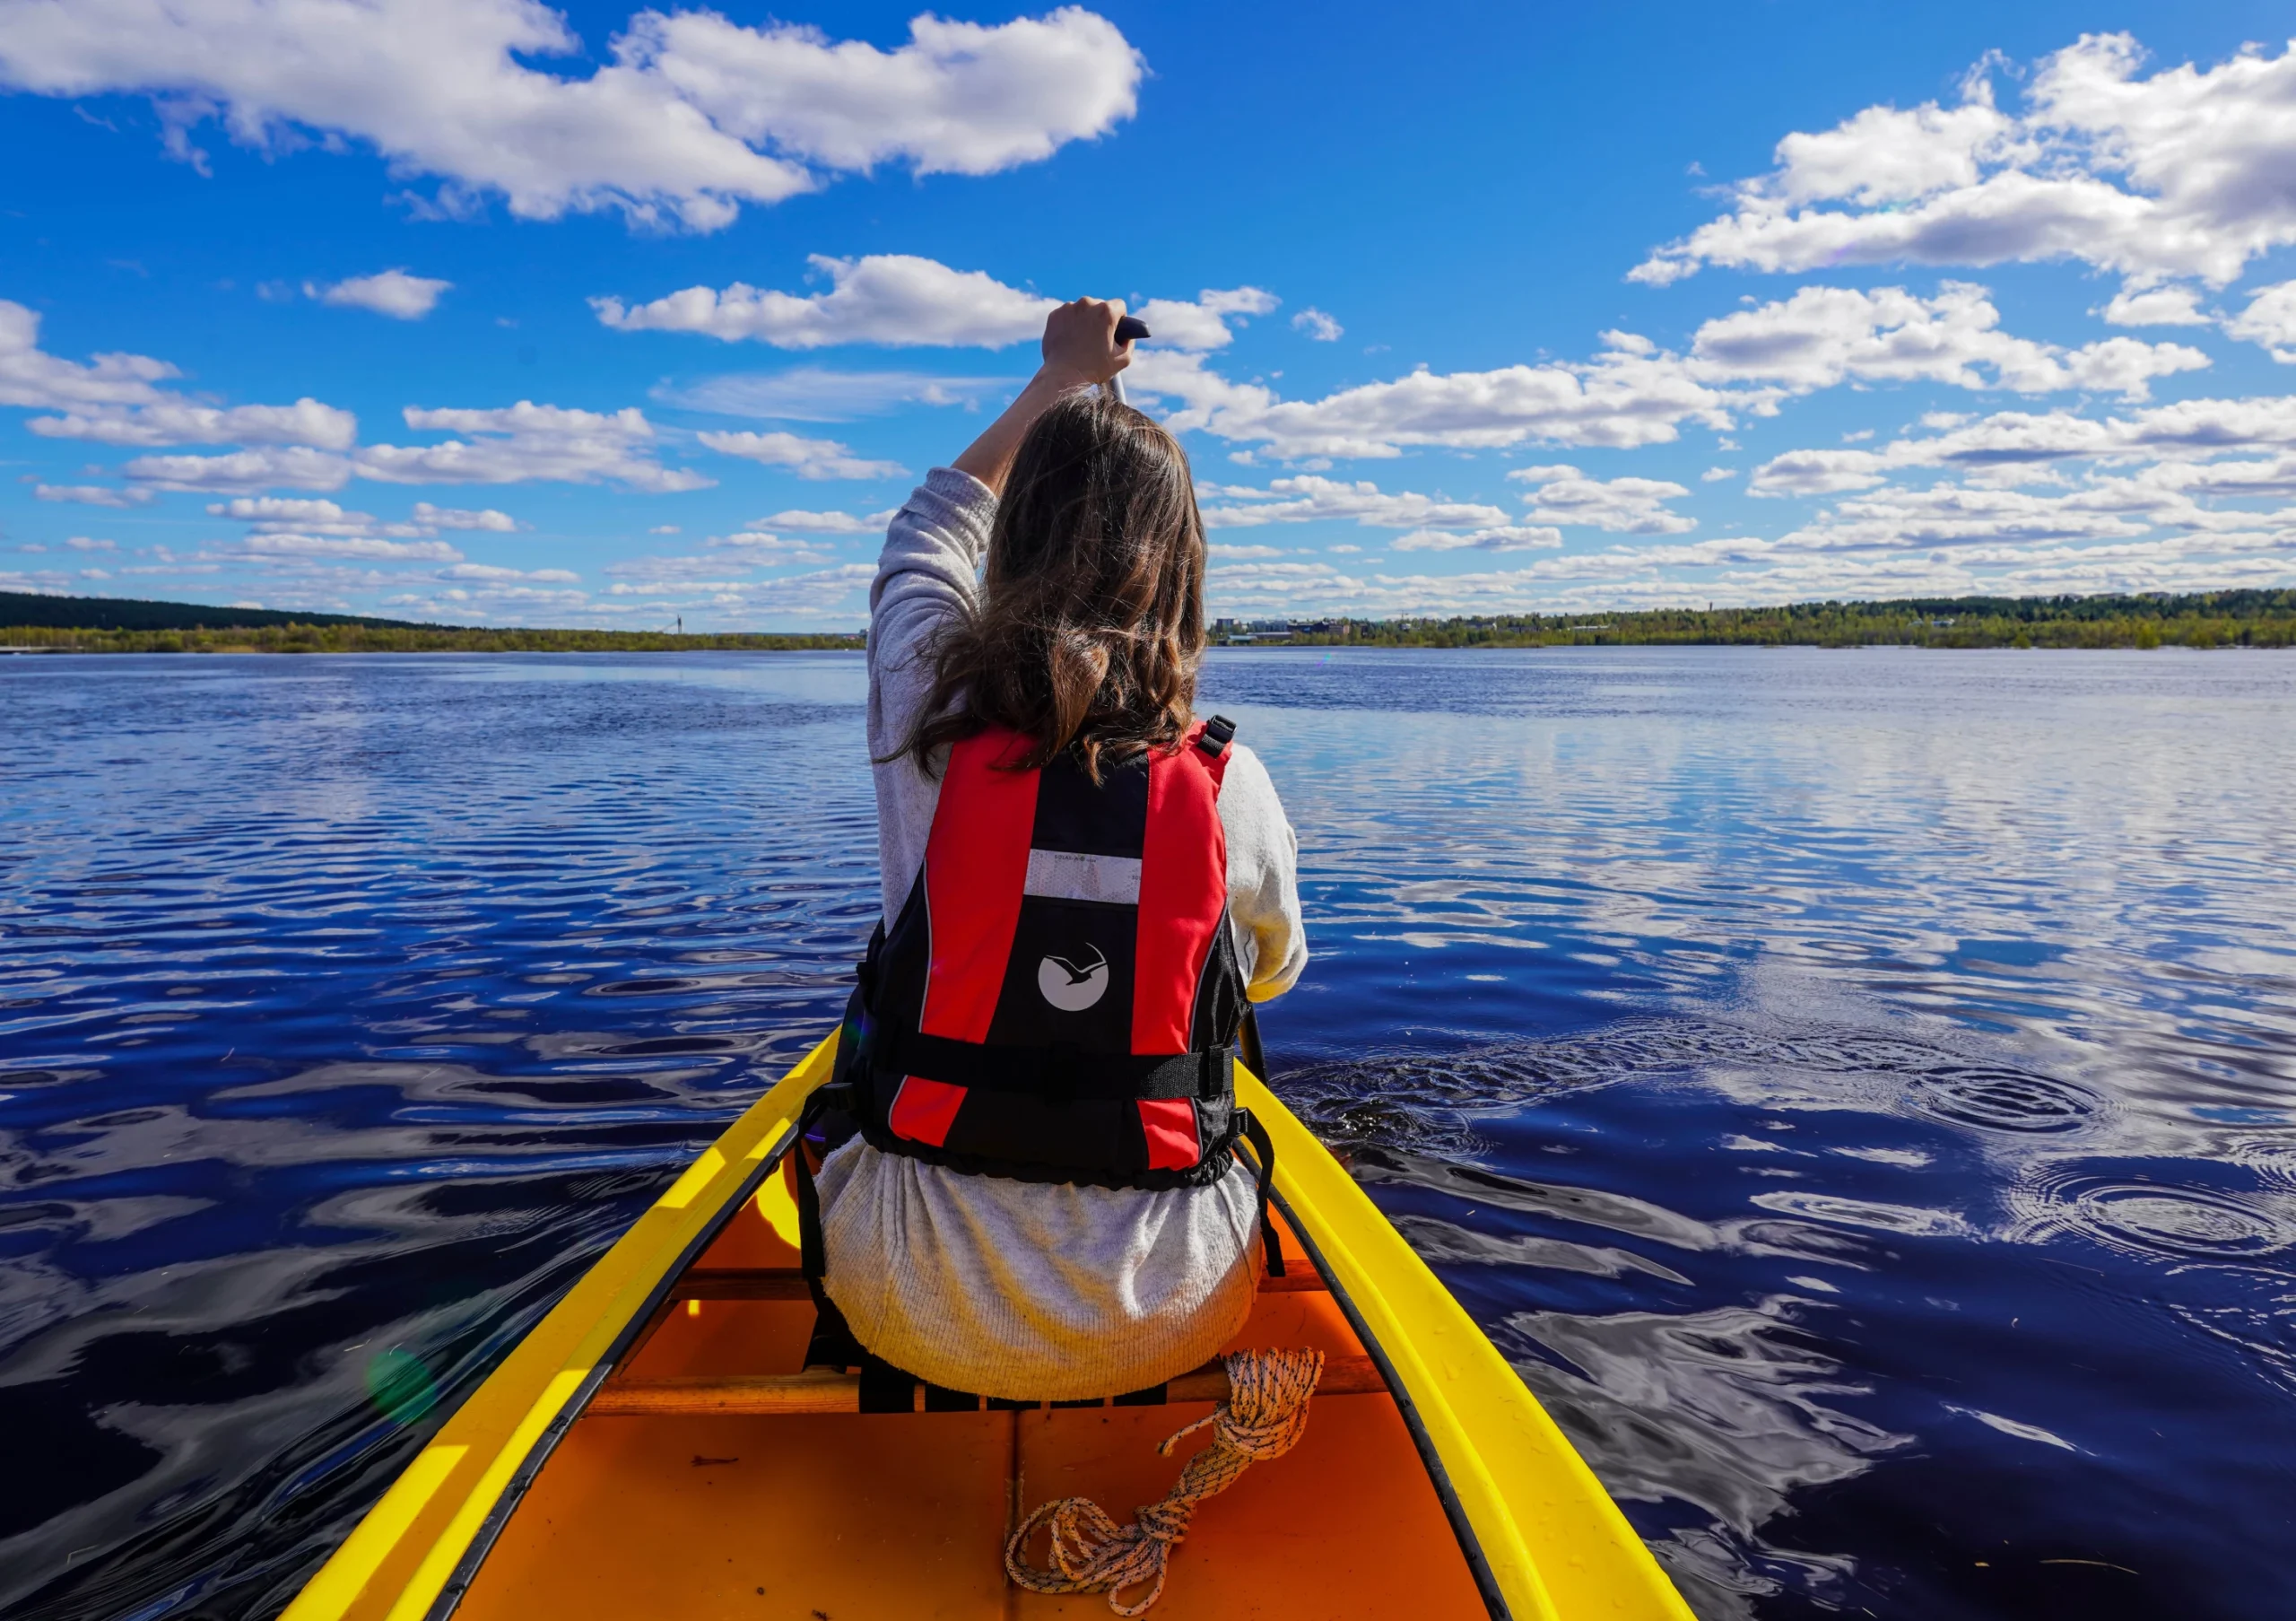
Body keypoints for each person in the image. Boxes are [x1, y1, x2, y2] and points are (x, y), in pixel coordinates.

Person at [812, 297, 1307, 1402]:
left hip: (903, 1296)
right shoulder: (1230, 782)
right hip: (1171, 1315)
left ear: (1014, 543)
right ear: (1181, 569)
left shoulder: (927, 712)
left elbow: (926, 533)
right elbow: (1268, 976)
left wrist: (1057, 379)